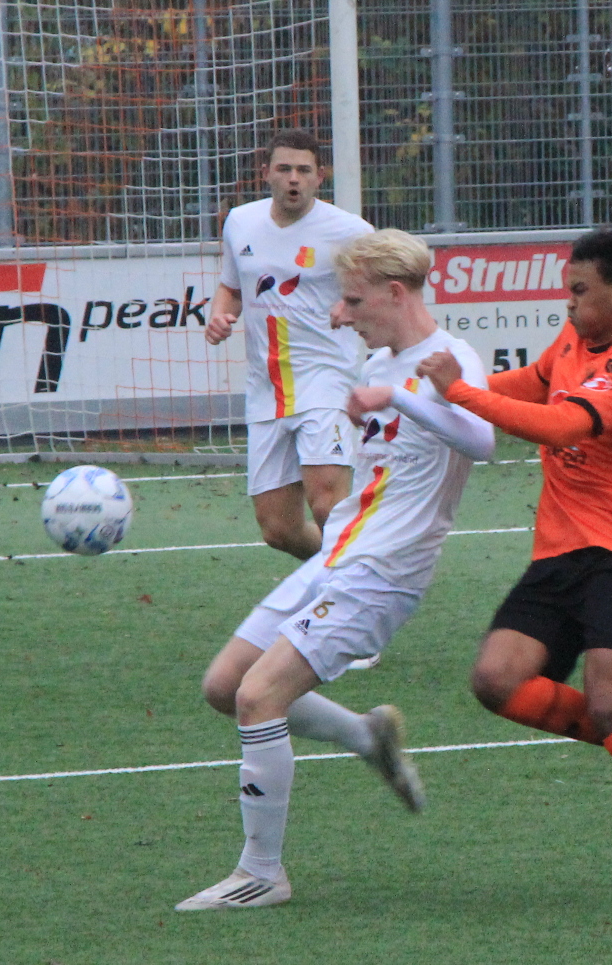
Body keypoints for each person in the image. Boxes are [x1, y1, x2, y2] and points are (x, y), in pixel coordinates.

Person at [416, 227, 612, 915]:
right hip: (560, 550)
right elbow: (529, 386)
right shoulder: (574, 341)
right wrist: (435, 392)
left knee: (609, 703)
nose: (568, 303)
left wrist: (461, 396)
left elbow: (561, 425)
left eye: (579, 291)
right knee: (496, 680)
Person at [176, 229, 495, 911]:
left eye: (353, 301)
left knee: (261, 697)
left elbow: (485, 439)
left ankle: (261, 870)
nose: (341, 314)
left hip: (384, 570)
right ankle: (364, 735)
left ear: (395, 293)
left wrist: (403, 398)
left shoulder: (449, 359)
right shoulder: (378, 363)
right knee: (225, 684)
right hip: (339, 553)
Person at [205, 129, 374, 560]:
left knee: (326, 503)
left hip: (325, 381)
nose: (293, 179)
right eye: (284, 169)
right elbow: (231, 288)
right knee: (278, 529)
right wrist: (219, 314)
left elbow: (387, 290)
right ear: (266, 173)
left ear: (321, 176)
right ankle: (353, 573)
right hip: (266, 390)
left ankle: (348, 598)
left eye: (304, 170)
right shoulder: (240, 222)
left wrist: (352, 305)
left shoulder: (351, 232)